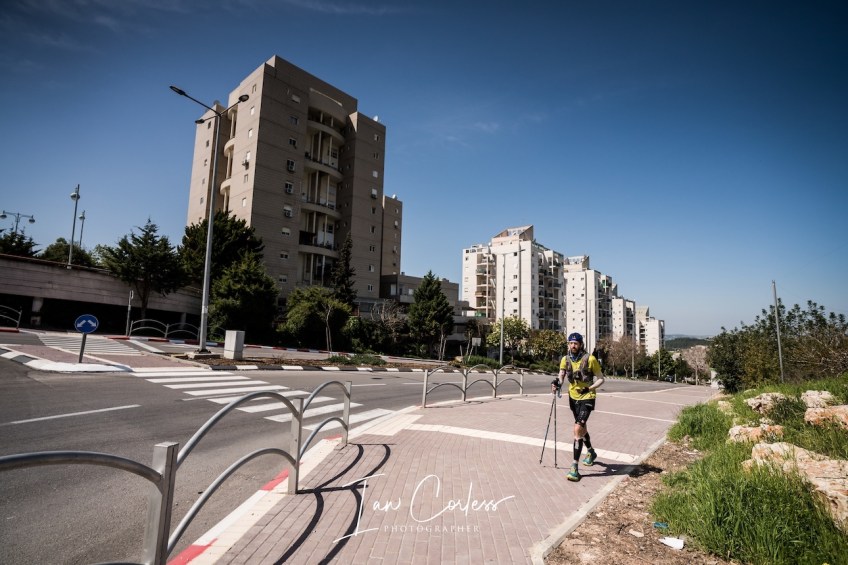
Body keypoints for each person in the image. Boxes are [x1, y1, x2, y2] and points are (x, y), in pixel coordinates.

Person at [550, 332, 605, 482]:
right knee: (581, 428)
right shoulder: (565, 359)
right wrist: (557, 383)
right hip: (573, 397)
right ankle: (591, 452)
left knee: (577, 429)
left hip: (587, 397)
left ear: (581, 344)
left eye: (576, 343)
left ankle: (574, 467)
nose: (573, 346)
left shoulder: (590, 359)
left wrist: (590, 388)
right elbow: (561, 375)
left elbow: (601, 379)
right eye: (571, 343)